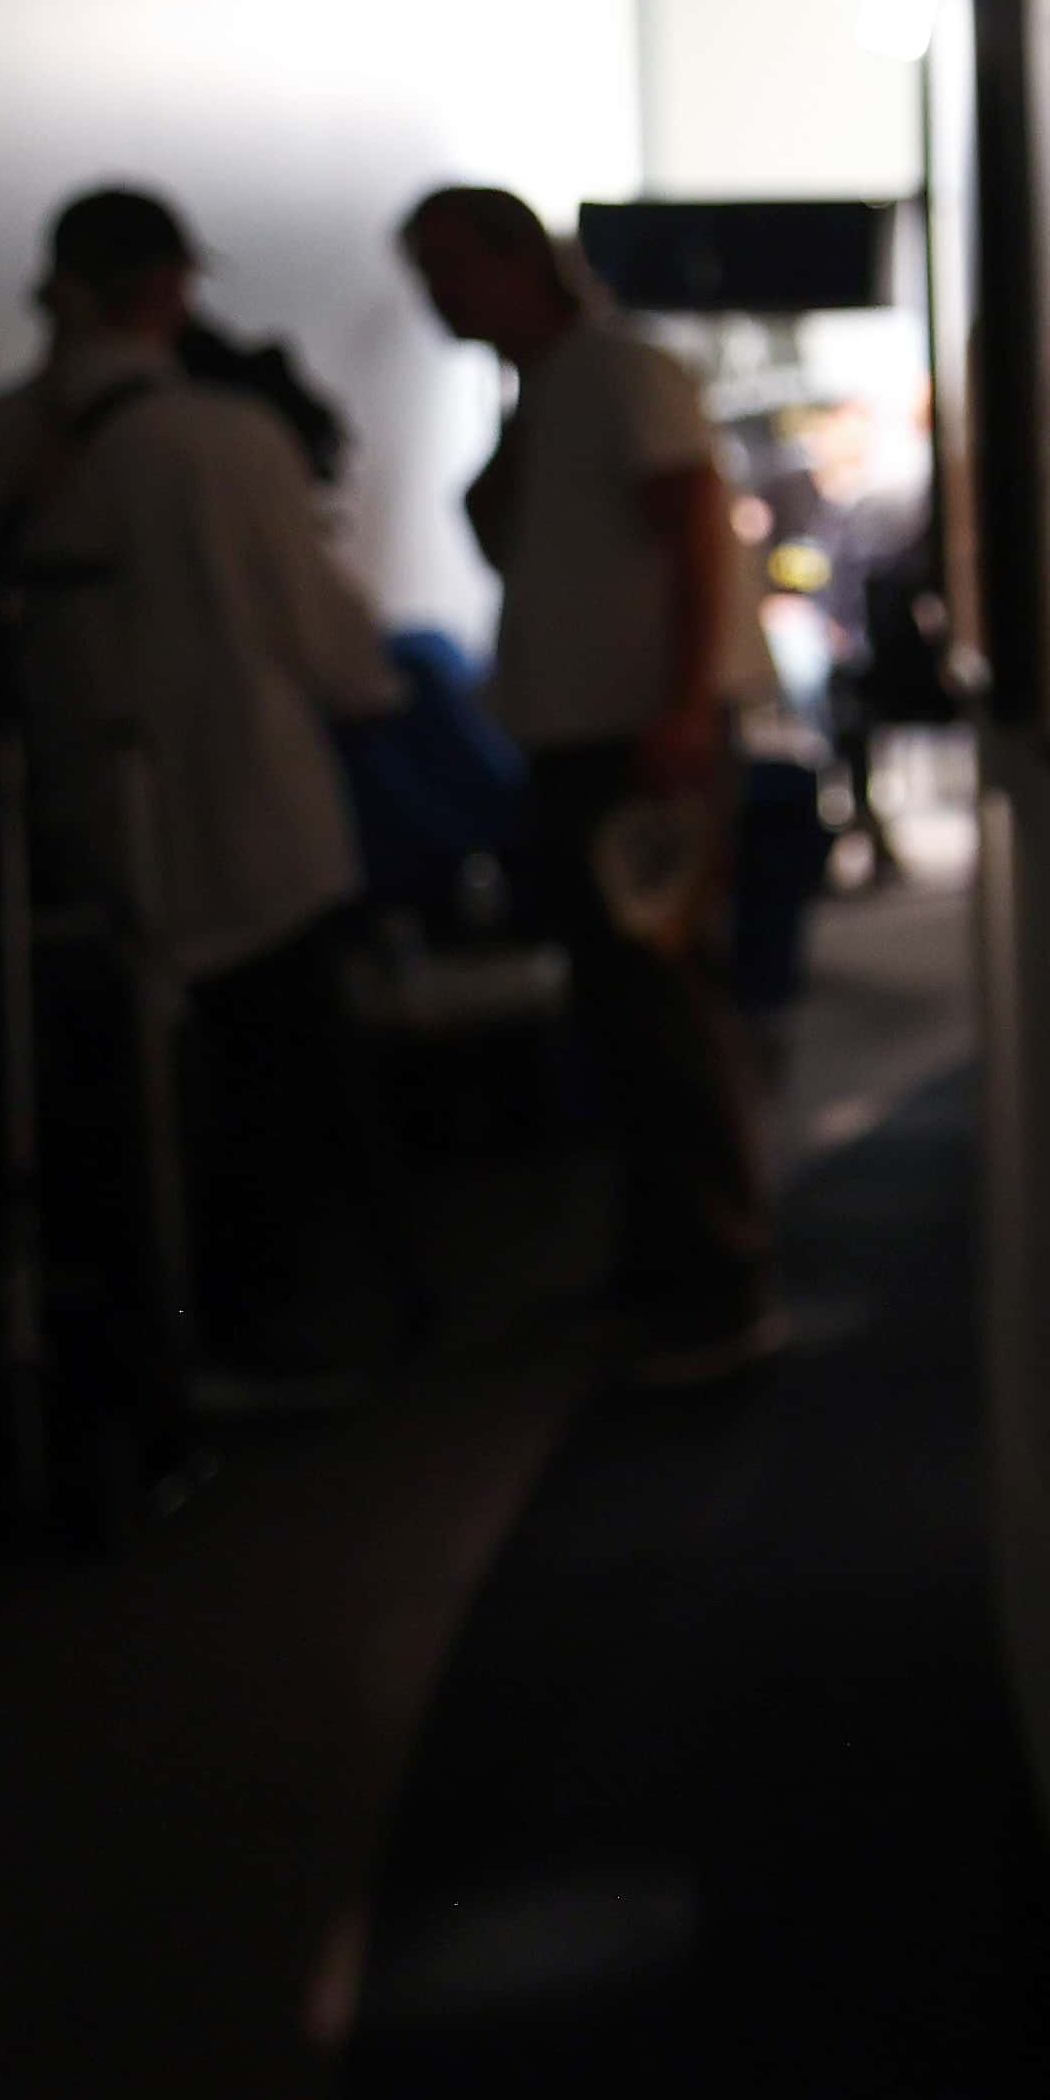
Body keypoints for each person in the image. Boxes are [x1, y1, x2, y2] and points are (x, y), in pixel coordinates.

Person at [0, 186, 417, 1378]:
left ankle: (153, 1343)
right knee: (275, 1096)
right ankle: (276, 1334)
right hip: (259, 835)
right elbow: (334, 649)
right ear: (174, 286)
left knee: (118, 1111)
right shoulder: (230, 440)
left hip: (82, 831)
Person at [398, 183, 783, 1378]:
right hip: (586, 734)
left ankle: (716, 1280)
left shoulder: (619, 372)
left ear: (523, 261)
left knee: (662, 1006)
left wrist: (679, 703)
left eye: (451, 265)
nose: (437, 295)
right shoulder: (553, 389)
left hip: (639, 733)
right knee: (621, 1014)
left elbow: (694, 527)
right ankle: (663, 1267)